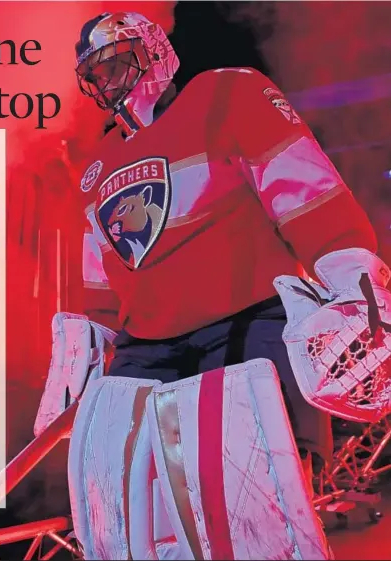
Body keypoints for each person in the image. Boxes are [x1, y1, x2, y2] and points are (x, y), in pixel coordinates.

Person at [65, 10, 388, 559]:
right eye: (98, 75)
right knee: (131, 515)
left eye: (117, 64)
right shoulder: (96, 167)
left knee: (256, 509)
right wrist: (81, 339)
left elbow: (302, 188)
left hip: (247, 319)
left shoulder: (226, 94)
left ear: (152, 52)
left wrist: (348, 272)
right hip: (147, 346)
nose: (110, 82)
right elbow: (102, 271)